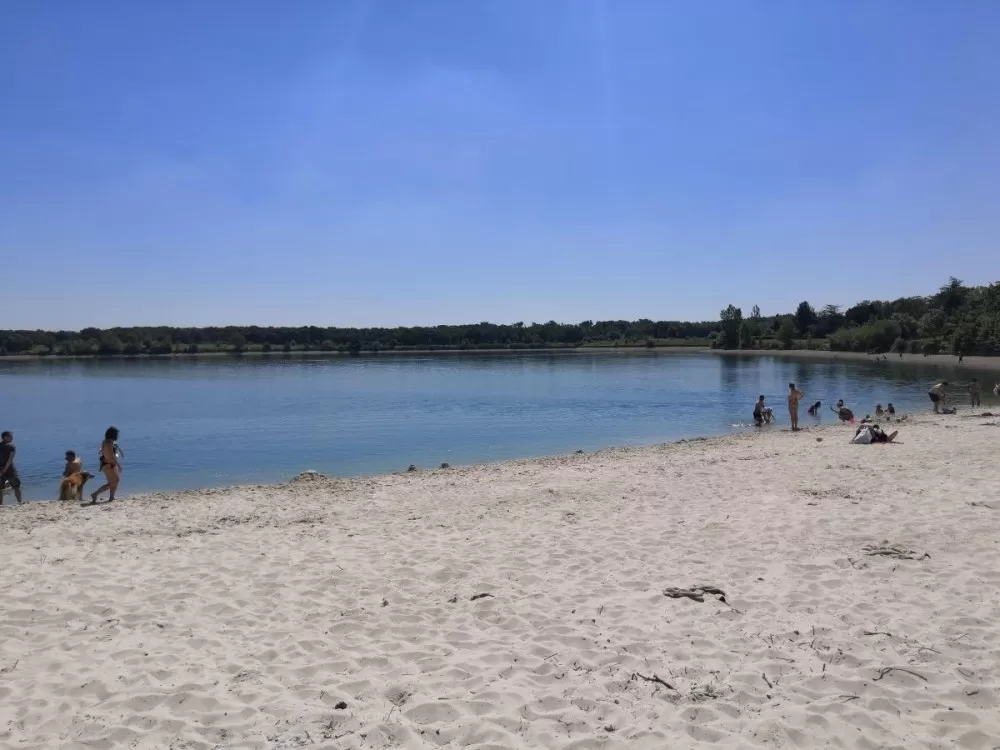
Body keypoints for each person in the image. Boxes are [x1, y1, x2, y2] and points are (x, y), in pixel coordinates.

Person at [90, 426, 122, 505]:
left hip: (106, 464)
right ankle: (95, 494)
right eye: (117, 434)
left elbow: (102, 452)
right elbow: (111, 455)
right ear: (114, 434)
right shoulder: (110, 442)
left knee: (115, 481)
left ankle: (111, 497)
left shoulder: (104, 441)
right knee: (112, 483)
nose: (118, 435)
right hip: (109, 464)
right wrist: (118, 465)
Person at [0, 431, 23, 505]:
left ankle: (1, 504)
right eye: (10, 436)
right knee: (16, 486)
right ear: (5, 437)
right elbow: (10, 460)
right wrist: (5, 470)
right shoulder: (11, 446)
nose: (12, 437)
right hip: (10, 470)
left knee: (0, 488)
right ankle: (19, 502)